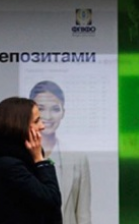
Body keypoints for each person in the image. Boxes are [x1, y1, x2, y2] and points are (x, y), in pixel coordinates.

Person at [0, 97, 62, 224]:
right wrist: (40, 160)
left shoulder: (23, 158)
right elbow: (51, 200)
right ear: (20, 126)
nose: (42, 126)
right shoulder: (8, 165)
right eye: (37, 121)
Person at [30, 80, 92, 224]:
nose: (48, 116)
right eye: (41, 109)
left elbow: (83, 213)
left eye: (55, 109)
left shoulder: (78, 158)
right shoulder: (18, 157)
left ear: (63, 112)